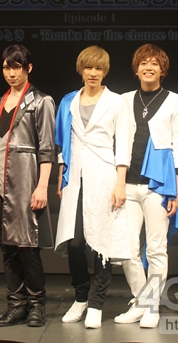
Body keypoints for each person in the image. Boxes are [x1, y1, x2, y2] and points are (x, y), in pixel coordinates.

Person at [54, 46, 132, 328]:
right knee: (75, 243)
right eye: (89, 67)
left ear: (105, 71)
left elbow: (123, 144)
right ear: (81, 69)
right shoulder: (69, 101)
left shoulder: (117, 102)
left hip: (104, 176)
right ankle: (81, 296)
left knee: (101, 243)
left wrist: (120, 183)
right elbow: (64, 142)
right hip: (75, 178)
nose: (93, 73)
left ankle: (97, 303)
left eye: (98, 68)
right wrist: (62, 176)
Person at [0, 44, 55, 328]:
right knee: (7, 248)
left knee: (26, 246)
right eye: (6, 68)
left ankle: (36, 305)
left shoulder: (41, 101)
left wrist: (42, 186)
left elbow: (47, 148)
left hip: (25, 182)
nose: (11, 73)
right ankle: (16, 305)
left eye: (16, 67)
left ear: (28, 68)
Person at [115, 43, 178, 329]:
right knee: (127, 248)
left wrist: (175, 190)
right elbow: (120, 142)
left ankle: (152, 306)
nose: (148, 67)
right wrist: (118, 183)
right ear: (136, 69)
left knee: (156, 248)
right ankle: (141, 302)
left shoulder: (177, 102)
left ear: (162, 70)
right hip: (128, 184)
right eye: (143, 63)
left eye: (154, 63)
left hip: (158, 186)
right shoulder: (124, 100)